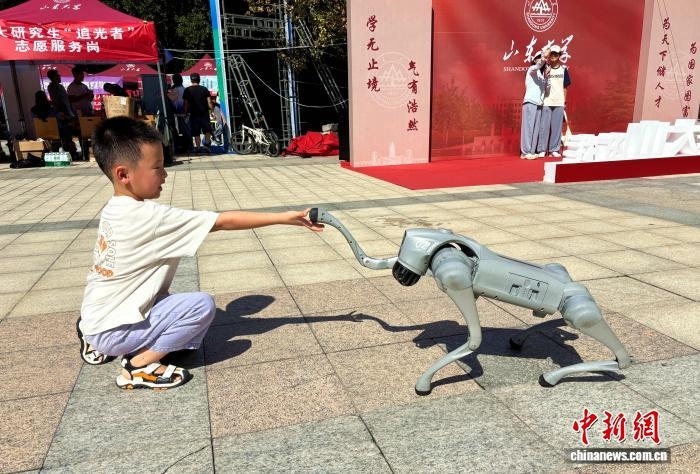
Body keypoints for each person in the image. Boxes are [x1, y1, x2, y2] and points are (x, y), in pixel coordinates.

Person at [77, 116, 324, 389]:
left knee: (180, 327)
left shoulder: (114, 208)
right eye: (157, 167)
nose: (165, 174)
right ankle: (138, 366)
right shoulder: (149, 217)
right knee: (200, 307)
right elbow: (222, 221)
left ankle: (96, 337)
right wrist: (284, 217)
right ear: (123, 174)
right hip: (112, 329)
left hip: (96, 315)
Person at [537, 44, 571, 158]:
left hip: (559, 102)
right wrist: (546, 54)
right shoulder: (545, 67)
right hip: (547, 101)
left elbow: (565, 88)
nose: (553, 56)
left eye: (556, 54)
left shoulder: (564, 69)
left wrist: (564, 102)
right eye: (552, 54)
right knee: (544, 127)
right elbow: (539, 63)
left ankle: (554, 149)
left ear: (559, 55)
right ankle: (542, 150)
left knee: (556, 128)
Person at [520, 48, 549, 160]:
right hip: (530, 102)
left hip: (539, 104)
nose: (540, 60)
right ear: (535, 60)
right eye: (538, 58)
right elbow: (538, 65)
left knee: (535, 129)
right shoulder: (532, 69)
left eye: (541, 58)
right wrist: (543, 58)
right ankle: (525, 152)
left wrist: (547, 76)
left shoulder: (541, 75)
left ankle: (531, 151)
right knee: (528, 128)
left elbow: (546, 89)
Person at [46, 69, 79, 160]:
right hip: (62, 114)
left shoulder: (59, 86)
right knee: (65, 134)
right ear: (53, 77)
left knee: (68, 134)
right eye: (57, 75)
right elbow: (57, 101)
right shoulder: (53, 87)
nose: (59, 77)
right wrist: (63, 114)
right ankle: (69, 153)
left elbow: (66, 101)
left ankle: (71, 153)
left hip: (67, 113)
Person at [183, 72, 213, 152]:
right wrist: (212, 111)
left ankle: (198, 148)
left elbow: (186, 103)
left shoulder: (187, 90)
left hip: (193, 114)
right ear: (199, 79)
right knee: (207, 130)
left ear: (191, 80)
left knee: (196, 132)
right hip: (204, 114)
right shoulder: (204, 89)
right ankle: (207, 145)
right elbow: (209, 101)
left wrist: (185, 113)